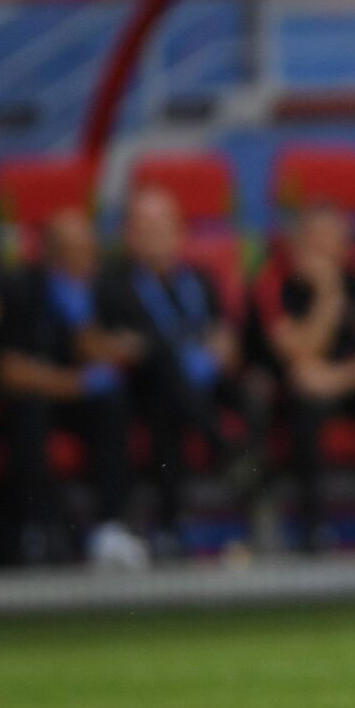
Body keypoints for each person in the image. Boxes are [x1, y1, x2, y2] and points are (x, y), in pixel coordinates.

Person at [0, 209, 148, 568]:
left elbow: (131, 347)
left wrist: (93, 338)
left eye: (87, 250)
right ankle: (44, 528)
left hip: (80, 404)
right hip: (37, 401)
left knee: (113, 401)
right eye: (70, 250)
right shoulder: (21, 289)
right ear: (50, 253)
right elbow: (8, 370)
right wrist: (73, 382)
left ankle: (111, 526)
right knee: (29, 412)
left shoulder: (104, 289)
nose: (82, 260)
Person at [252, 204, 355, 549]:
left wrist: (338, 379)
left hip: (343, 382)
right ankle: (313, 527)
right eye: (313, 241)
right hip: (286, 390)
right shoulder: (272, 280)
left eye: (331, 241)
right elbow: (301, 357)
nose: (322, 250)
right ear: (295, 245)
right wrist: (327, 296)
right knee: (306, 404)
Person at [95, 186, 241, 544]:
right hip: (145, 389)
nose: (155, 237)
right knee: (164, 380)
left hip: (205, 380)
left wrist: (223, 345)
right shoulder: (113, 283)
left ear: (180, 232)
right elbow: (125, 343)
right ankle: (221, 449)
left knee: (252, 387)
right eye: (144, 228)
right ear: (128, 234)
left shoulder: (200, 278)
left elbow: (221, 331)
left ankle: (248, 490)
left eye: (163, 227)